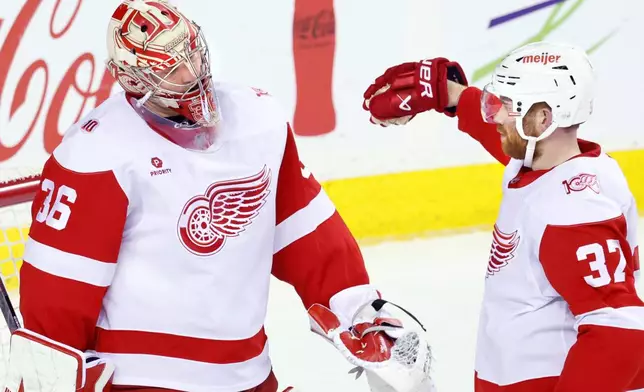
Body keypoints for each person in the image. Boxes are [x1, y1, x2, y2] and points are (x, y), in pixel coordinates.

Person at [5, 1, 434, 391]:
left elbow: (306, 234)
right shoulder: (95, 154)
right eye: (171, 68)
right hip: (142, 380)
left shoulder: (258, 119)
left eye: (192, 54)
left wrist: (358, 310)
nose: (191, 74)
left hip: (247, 374)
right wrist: (49, 376)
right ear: (133, 79)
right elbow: (59, 292)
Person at [361, 41, 644, 391]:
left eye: (507, 106)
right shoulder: (569, 166)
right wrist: (453, 96)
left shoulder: (572, 214)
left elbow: (618, 331)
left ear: (544, 118)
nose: (492, 114)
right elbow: (515, 155)